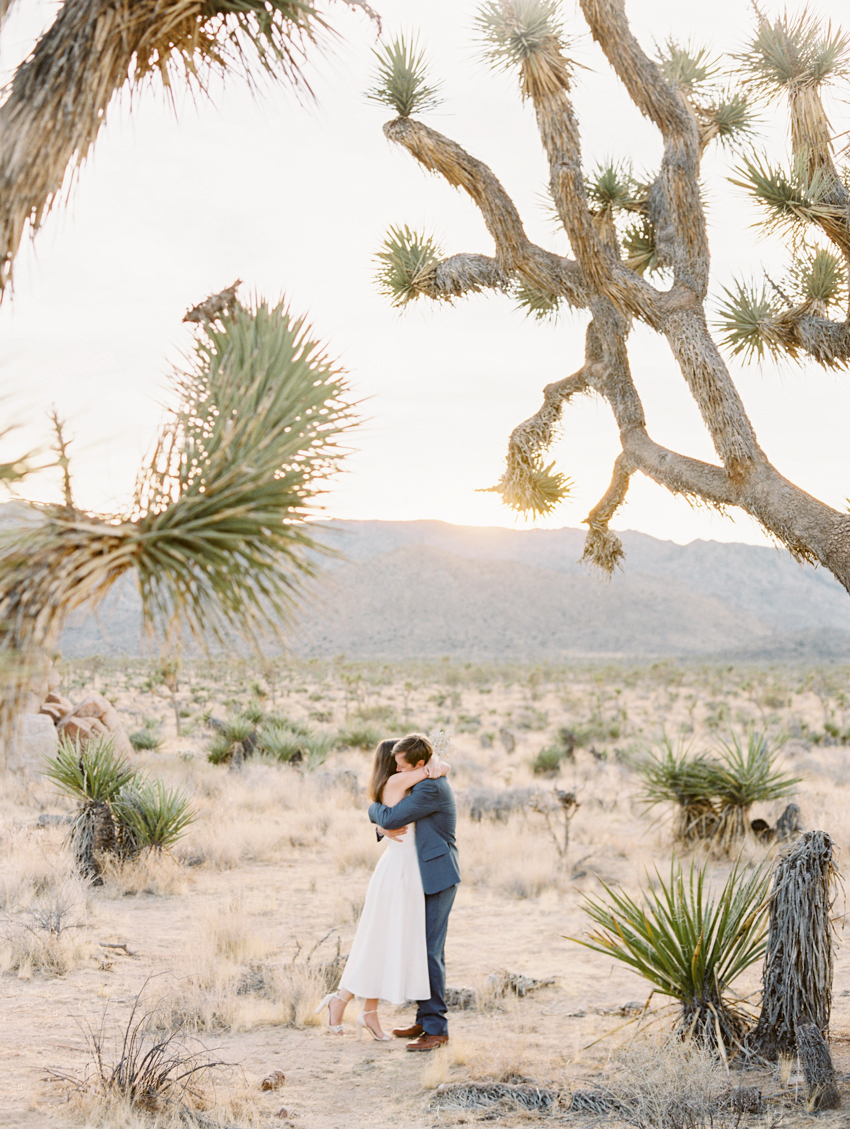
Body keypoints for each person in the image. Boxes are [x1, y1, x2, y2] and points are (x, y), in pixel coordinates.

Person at [314, 737, 449, 1041]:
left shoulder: (395, 784)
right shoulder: (400, 782)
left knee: (381, 939)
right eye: (398, 760)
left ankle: (367, 1011)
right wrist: (433, 765)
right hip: (400, 872)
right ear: (394, 763)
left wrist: (378, 825)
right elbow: (389, 814)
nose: (401, 764)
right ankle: (343, 1001)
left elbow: (385, 813)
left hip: (404, 870)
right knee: (379, 939)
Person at [368, 733, 460, 1052]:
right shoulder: (422, 780)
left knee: (429, 951)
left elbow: (390, 816)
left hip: (437, 875)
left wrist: (375, 817)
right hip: (424, 874)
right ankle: (426, 1019)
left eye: (402, 765)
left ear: (418, 764)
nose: (396, 770)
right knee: (424, 949)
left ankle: (437, 1029)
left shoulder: (430, 787)